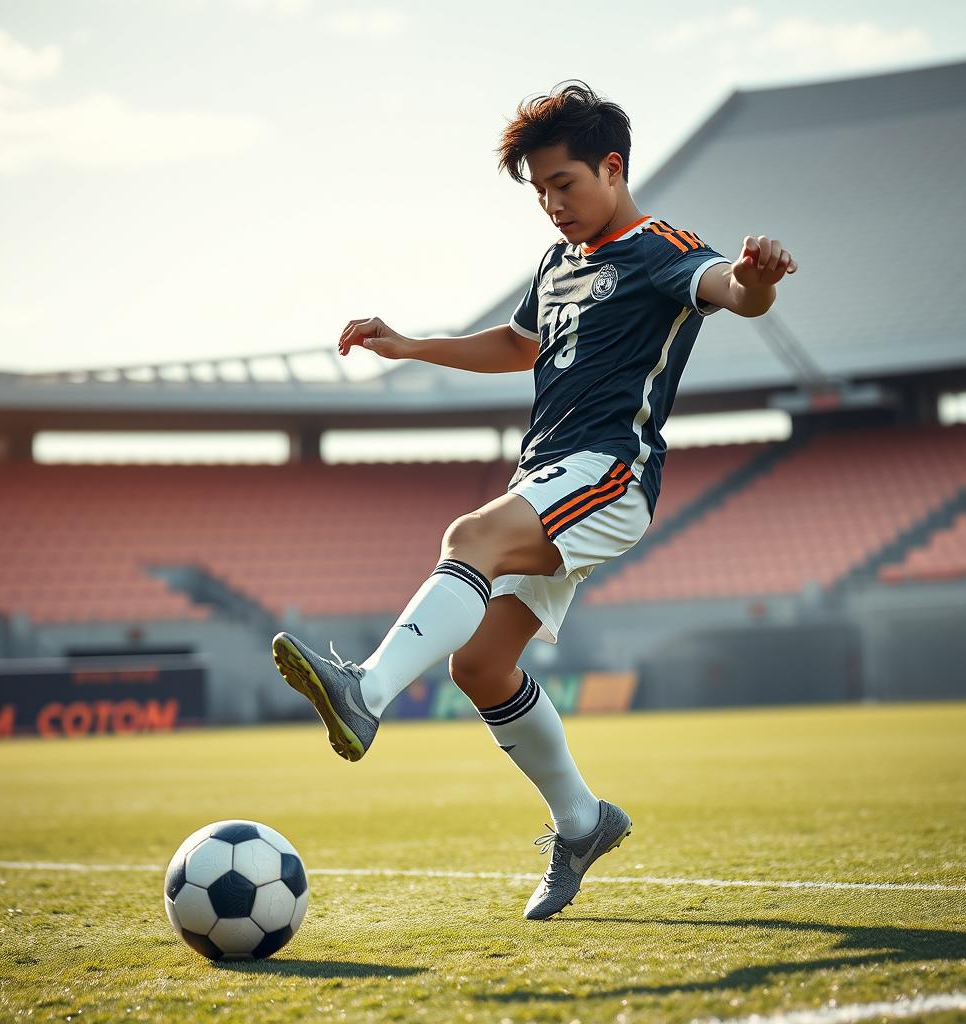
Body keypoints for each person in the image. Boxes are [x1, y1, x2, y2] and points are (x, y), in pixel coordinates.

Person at [271, 81, 797, 920]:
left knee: (469, 533)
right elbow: (520, 345)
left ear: (612, 168)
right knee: (478, 666)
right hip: (548, 477)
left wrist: (756, 277)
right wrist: (409, 344)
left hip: (609, 472)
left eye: (565, 183)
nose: (552, 204)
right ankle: (583, 823)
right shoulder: (559, 263)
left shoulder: (661, 246)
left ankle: (365, 693)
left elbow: (729, 290)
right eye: (541, 190)